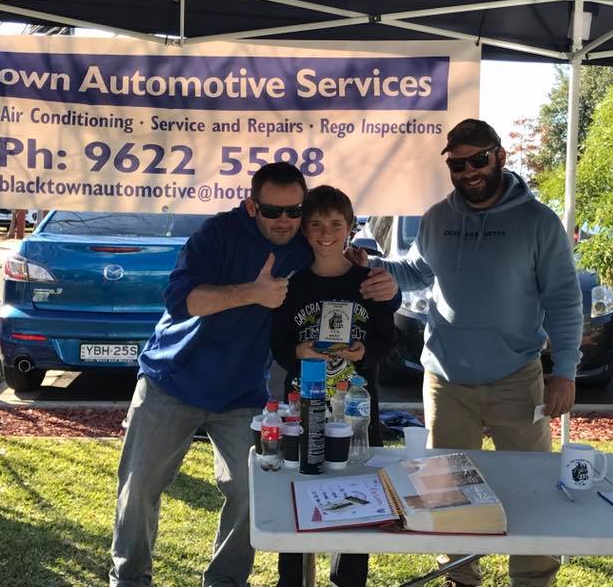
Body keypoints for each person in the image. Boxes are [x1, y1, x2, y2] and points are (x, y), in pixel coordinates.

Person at [110, 162, 398, 587]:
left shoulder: (302, 243)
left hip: (243, 394)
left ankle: (226, 581)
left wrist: (383, 282)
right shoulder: (218, 234)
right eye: (272, 210)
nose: (284, 220)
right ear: (252, 206)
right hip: (173, 381)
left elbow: (343, 270)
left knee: (251, 494)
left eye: (294, 211)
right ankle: (130, 579)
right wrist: (253, 293)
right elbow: (180, 301)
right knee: (139, 488)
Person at [346, 118, 582, 587]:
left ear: (500, 157)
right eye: (458, 164)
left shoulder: (538, 222)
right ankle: (459, 576)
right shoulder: (438, 217)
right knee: (446, 491)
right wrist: (371, 265)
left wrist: (565, 371)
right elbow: (417, 271)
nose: (469, 171)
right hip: (445, 379)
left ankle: (533, 579)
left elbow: (563, 299)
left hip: (517, 377)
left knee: (531, 488)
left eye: (479, 159)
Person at [271, 185, 398, 587]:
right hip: (303, 408)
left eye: (335, 224)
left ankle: (349, 579)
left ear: (350, 228)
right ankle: (292, 580)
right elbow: (278, 345)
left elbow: (388, 340)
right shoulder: (292, 287)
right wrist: (299, 351)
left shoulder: (369, 283)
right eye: (316, 224)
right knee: (297, 491)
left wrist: (364, 351)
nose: (326, 233)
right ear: (304, 230)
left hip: (356, 408)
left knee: (360, 495)